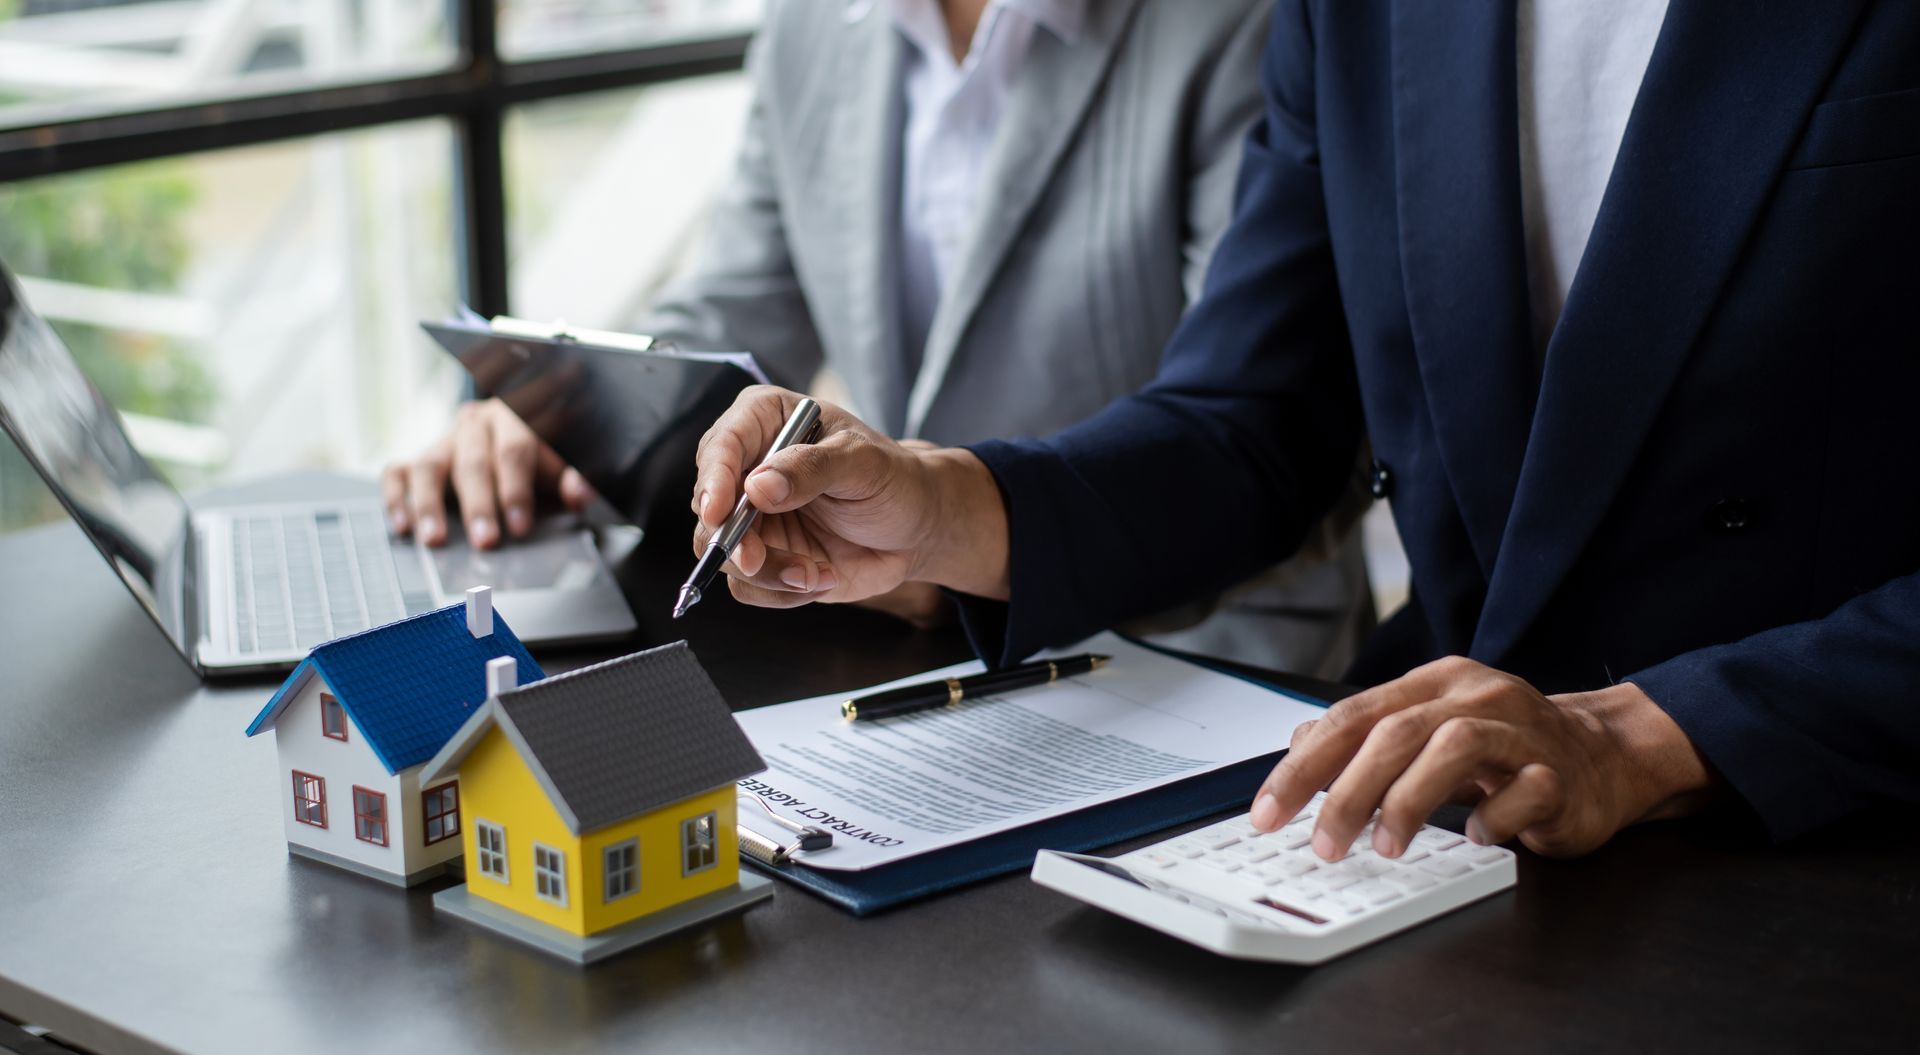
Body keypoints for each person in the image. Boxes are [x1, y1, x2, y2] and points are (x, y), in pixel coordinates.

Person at [687, 1, 1920, 859]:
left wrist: (1649, 731)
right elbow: (1255, 421)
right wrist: (938, 503)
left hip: (1829, 832)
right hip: (1426, 820)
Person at [383, 0, 1373, 677]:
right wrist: (560, 408)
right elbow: (737, 304)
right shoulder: (822, 22)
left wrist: (946, 527)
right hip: (915, 634)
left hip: (1200, 657)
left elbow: (1259, 430)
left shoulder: (1249, 23)